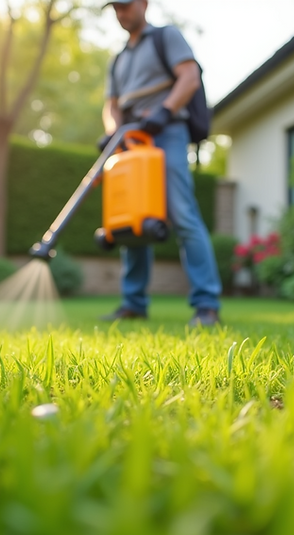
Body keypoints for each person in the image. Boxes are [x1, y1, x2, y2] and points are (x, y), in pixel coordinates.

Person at [99, 0, 222, 327]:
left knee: (182, 214)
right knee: (131, 219)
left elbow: (189, 77)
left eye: (126, 6)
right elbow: (110, 106)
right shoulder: (118, 60)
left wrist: (164, 111)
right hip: (131, 139)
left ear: (143, 4)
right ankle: (133, 303)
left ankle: (207, 305)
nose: (121, 14)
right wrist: (114, 133)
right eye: (116, 9)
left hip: (167, 134)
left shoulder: (165, 37)